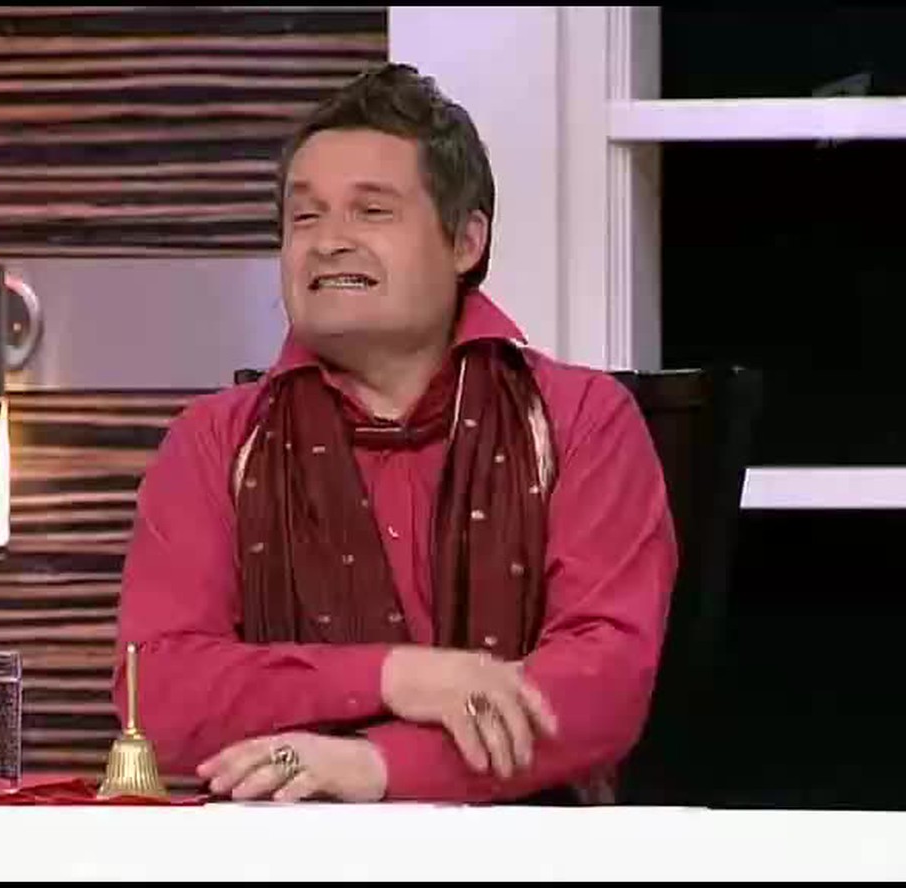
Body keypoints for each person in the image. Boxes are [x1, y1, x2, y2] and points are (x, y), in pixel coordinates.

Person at [113, 63, 677, 804]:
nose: (328, 242)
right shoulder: (212, 442)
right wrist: (396, 676)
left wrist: (376, 766)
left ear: (465, 241)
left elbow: (601, 688)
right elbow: (157, 690)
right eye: (304, 218)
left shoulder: (582, 420)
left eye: (371, 211)